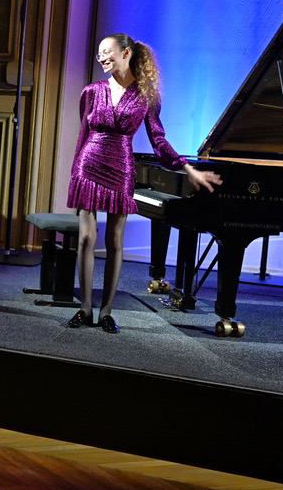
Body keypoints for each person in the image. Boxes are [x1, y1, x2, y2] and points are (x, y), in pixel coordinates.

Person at [66, 34, 222, 333]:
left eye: (107, 52)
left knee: (114, 241)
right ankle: (84, 309)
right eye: (99, 54)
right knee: (86, 238)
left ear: (126, 53)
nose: (101, 58)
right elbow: (83, 135)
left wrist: (188, 169)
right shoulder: (90, 91)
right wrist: (75, 173)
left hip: (121, 168)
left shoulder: (147, 95)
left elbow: (159, 140)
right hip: (89, 163)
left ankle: (107, 311)